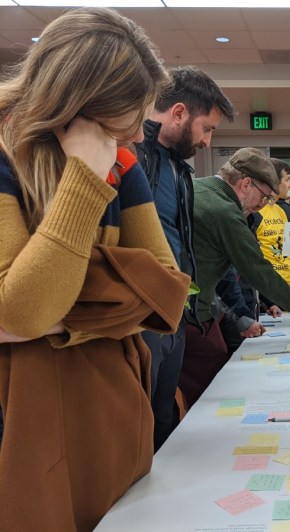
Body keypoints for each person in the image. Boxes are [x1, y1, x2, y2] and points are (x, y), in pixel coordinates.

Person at [0, 8, 190, 530]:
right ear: (78, 107)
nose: (131, 138)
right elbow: (24, 309)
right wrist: (83, 176)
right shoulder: (10, 156)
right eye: (120, 123)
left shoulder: (123, 161)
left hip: (110, 417)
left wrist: (56, 304)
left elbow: (168, 296)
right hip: (21, 426)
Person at [136, 66, 235, 452]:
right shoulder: (133, 157)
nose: (208, 141)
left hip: (173, 313)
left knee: (162, 422)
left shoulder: (178, 169)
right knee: (136, 425)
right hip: (140, 316)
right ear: (179, 113)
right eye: (206, 128)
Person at [180, 148, 290, 407]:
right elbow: (257, 268)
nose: (262, 206)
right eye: (264, 197)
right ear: (245, 184)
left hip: (191, 304)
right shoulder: (226, 212)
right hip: (188, 313)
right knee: (211, 374)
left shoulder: (196, 187)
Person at [254, 159, 290, 312]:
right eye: (287, 179)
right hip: (270, 287)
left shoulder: (281, 210)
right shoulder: (256, 212)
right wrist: (266, 301)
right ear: (274, 181)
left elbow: (288, 252)